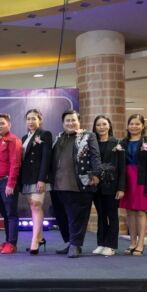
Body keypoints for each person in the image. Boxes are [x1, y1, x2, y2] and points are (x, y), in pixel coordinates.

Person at [50, 110, 101, 258]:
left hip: (79, 184)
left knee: (77, 216)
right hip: (58, 185)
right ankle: (69, 242)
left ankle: (76, 245)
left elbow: (95, 156)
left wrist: (96, 174)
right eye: (67, 120)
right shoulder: (59, 138)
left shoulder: (88, 136)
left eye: (73, 120)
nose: (70, 123)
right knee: (62, 216)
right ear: (63, 123)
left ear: (79, 122)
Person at [119, 114, 147, 256]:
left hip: (141, 179)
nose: (134, 126)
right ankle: (132, 242)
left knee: (141, 212)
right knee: (129, 212)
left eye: (137, 124)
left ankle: (141, 243)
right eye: (131, 124)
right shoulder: (123, 142)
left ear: (142, 126)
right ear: (127, 126)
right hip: (127, 179)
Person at [19, 109, 52, 255]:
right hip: (27, 177)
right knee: (33, 206)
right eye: (28, 119)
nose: (31, 121)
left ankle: (34, 241)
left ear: (40, 120)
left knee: (36, 205)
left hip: (38, 177)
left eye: (34, 118)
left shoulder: (45, 134)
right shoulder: (24, 137)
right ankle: (40, 237)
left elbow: (46, 158)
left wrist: (42, 179)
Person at [92, 115, 125, 257]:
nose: (101, 127)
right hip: (96, 186)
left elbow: (122, 168)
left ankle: (111, 245)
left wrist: (121, 188)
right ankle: (101, 243)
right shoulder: (93, 143)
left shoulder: (117, 143)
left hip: (112, 186)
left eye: (104, 124)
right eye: (98, 125)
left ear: (109, 126)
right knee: (101, 215)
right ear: (95, 127)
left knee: (112, 216)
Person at [0, 113, 22, 254]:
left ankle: (12, 243)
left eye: (2, 123)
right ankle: (7, 240)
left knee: (11, 214)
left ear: (9, 125)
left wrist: (11, 184)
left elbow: (15, 163)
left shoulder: (14, 140)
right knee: (5, 214)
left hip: (7, 182)